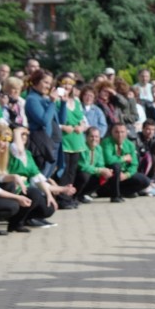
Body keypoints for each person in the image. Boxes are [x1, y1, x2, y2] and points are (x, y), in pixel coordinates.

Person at [25, 69, 67, 180]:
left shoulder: (45, 98)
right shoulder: (32, 99)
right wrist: (52, 102)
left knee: (47, 176)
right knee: (41, 176)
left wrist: (63, 103)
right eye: (46, 82)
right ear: (36, 81)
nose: (48, 86)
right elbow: (44, 120)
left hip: (55, 141)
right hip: (43, 142)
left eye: (50, 83)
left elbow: (62, 120)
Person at [55, 73, 88, 209]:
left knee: (72, 171)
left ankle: (69, 196)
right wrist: (63, 127)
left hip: (76, 140)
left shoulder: (77, 101)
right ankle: (62, 198)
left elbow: (82, 119)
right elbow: (54, 120)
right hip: (64, 139)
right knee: (64, 169)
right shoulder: (57, 100)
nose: (67, 86)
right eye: (64, 83)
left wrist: (81, 126)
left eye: (69, 84)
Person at [101, 123, 151, 201]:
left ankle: (122, 192)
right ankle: (115, 196)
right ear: (112, 132)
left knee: (145, 181)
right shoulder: (106, 143)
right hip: (110, 175)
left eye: (122, 132)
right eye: (116, 132)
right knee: (116, 166)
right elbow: (109, 160)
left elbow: (134, 164)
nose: (120, 135)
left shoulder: (130, 145)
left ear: (126, 133)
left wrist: (126, 175)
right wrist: (123, 158)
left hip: (124, 175)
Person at [74, 127, 115, 203]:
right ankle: (74, 197)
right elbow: (82, 166)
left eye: (96, 137)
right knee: (84, 175)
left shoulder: (99, 148)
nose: (94, 139)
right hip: (78, 175)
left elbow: (100, 164)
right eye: (91, 136)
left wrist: (105, 170)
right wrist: (99, 170)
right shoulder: (82, 147)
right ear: (86, 137)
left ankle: (83, 195)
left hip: (91, 173)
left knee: (104, 175)